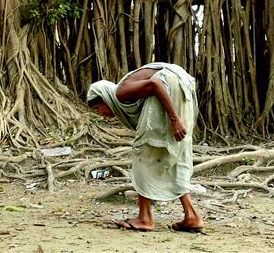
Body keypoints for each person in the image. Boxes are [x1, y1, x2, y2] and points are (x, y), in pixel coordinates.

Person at [87, 62, 204, 233]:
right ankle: (192, 216)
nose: (101, 114)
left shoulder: (120, 92)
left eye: (98, 108)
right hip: (179, 85)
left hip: (168, 84)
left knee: (143, 152)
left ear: (105, 97)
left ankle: (145, 217)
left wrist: (174, 119)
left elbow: (154, 84)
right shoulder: (129, 97)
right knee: (173, 153)